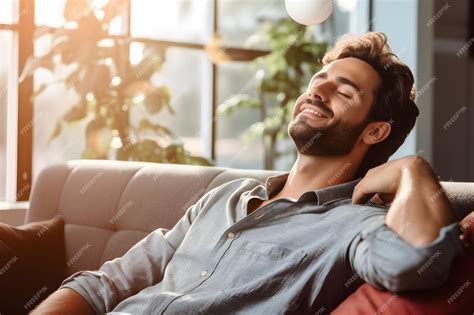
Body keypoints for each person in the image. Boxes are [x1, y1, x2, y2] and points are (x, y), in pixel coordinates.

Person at [33, 32, 466, 314]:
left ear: (375, 130)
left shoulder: (356, 226)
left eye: (344, 90)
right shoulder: (226, 196)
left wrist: (412, 169)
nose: (318, 89)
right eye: (320, 78)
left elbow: (417, 265)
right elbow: (105, 284)